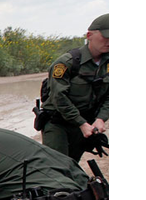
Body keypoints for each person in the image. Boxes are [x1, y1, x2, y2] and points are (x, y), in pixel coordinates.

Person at [41, 13, 109, 161]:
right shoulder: (67, 62)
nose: (110, 41)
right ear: (89, 35)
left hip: (84, 124)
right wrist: (81, 123)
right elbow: (59, 97)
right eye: (106, 36)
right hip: (58, 124)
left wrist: (101, 119)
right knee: (57, 167)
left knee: (73, 165)